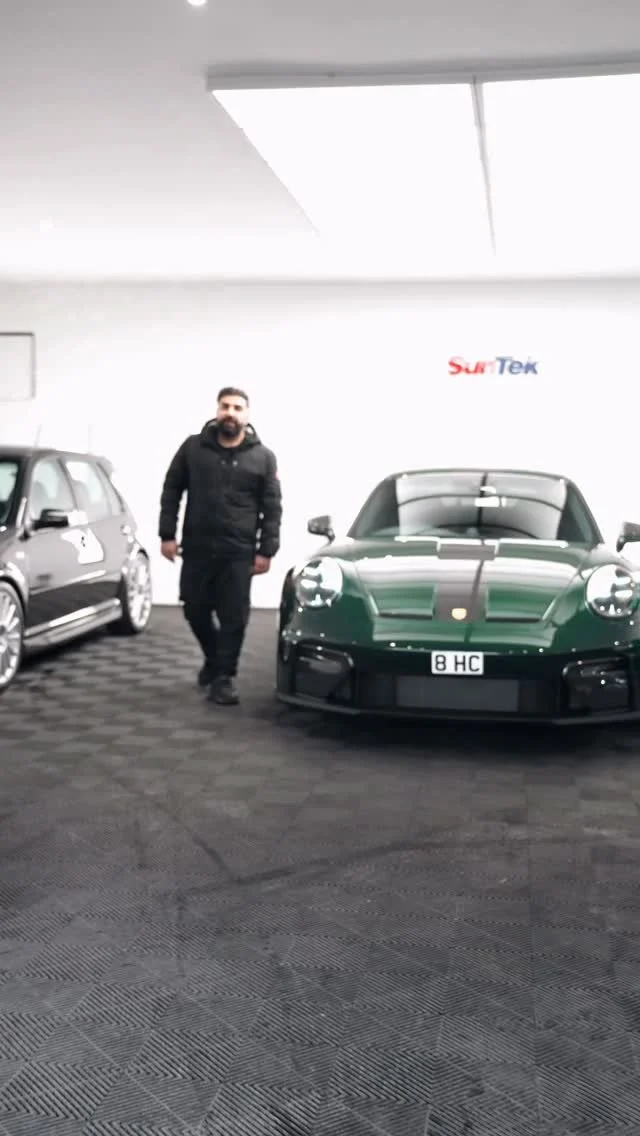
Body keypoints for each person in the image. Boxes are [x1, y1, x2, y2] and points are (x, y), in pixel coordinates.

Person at [158, 386, 282, 705]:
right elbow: (172, 490)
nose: (230, 412)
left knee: (234, 617)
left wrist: (266, 550)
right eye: (225, 406)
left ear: (247, 415)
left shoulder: (263, 458)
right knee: (194, 609)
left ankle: (224, 677)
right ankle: (214, 659)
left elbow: (272, 508)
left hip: (238, 552)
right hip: (197, 548)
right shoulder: (193, 448)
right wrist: (167, 535)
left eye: (237, 408)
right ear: (217, 410)